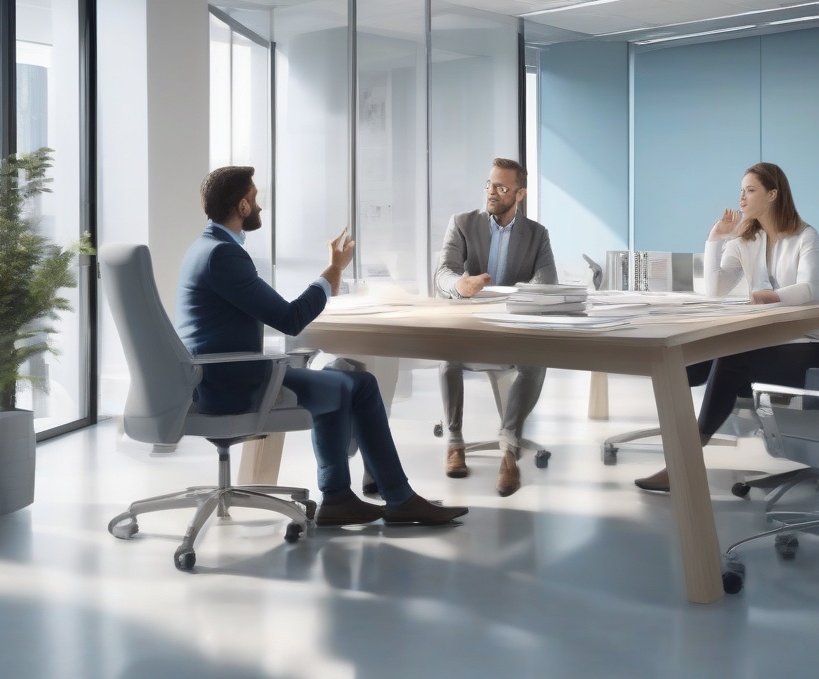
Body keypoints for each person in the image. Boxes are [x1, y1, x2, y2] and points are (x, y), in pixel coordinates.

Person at [175, 166, 468, 527]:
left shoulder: (201, 248)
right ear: (242, 207)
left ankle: (339, 497)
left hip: (212, 379)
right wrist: (333, 271)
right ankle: (398, 498)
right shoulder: (223, 255)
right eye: (255, 199)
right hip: (234, 386)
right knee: (360, 384)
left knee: (339, 377)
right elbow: (290, 318)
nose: (260, 207)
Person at [635, 162, 819, 492]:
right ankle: (681, 451)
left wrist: (771, 297)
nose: (742, 198)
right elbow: (715, 289)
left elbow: (808, 288)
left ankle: (681, 464)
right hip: (769, 345)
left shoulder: (806, 236)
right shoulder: (747, 241)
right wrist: (715, 239)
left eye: (750, 190)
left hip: (815, 350)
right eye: (741, 191)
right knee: (688, 364)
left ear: (773, 194)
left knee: (731, 359)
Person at [434, 158, 557, 496]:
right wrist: (461, 285)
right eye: (489, 185)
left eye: (501, 188)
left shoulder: (536, 234)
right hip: (470, 327)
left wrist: (519, 298)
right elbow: (442, 271)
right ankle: (455, 442)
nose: (492, 193)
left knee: (536, 362)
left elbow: (547, 283)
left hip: (512, 329)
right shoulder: (462, 223)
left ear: (520, 194)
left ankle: (509, 446)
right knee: (448, 360)